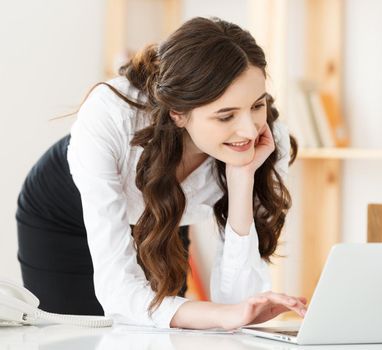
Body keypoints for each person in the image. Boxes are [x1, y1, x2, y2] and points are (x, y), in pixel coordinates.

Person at [16, 17, 307, 329]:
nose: (249, 130)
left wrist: (242, 179)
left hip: (162, 208)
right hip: (65, 213)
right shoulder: (110, 115)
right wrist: (222, 314)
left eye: (257, 106)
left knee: (160, 333)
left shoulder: (267, 140)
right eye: (226, 116)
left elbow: (241, 305)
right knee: (72, 336)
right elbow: (118, 294)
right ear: (178, 113)